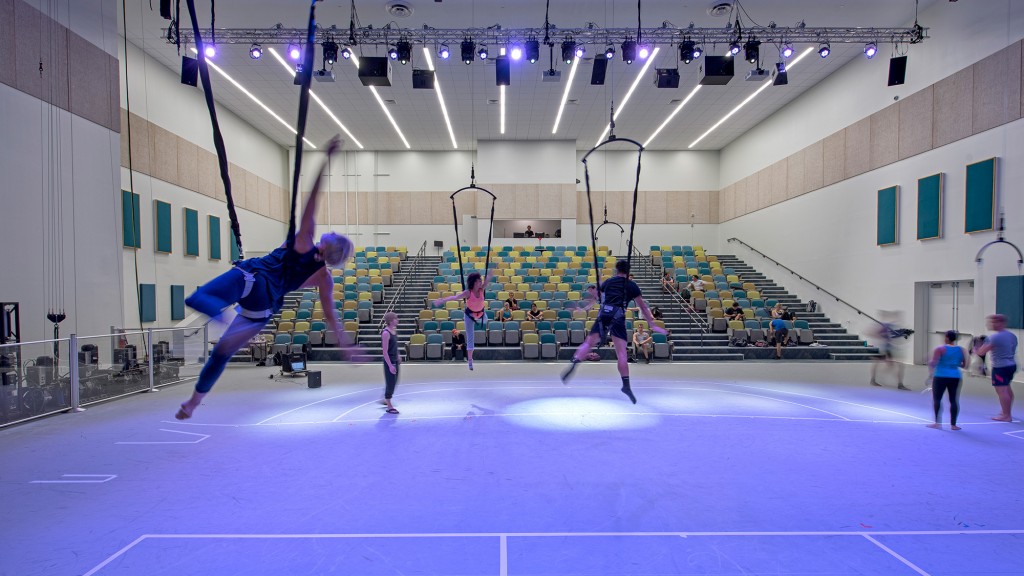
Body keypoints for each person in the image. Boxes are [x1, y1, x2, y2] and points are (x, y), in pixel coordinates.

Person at [176, 137, 356, 420]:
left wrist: (326, 160)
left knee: (197, 299)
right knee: (221, 353)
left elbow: (312, 202)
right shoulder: (325, 279)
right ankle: (192, 403)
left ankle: (223, 319)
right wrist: (346, 344)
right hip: (261, 310)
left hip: (251, 279)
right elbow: (331, 316)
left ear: (328, 242)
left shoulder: (303, 242)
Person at [561, 260, 666, 403]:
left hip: (604, 313)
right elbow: (643, 307)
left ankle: (575, 362)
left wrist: (583, 308)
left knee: (589, 343)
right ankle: (626, 384)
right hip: (618, 316)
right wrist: (652, 324)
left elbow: (596, 297)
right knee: (621, 353)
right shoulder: (632, 285)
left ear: (616, 270)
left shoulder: (609, 282)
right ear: (628, 271)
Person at [434, 270, 495, 371]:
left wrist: (490, 273)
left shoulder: (481, 289)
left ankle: (479, 319)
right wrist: (443, 300)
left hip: (480, 314)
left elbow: (487, 280)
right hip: (469, 315)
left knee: (485, 320)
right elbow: (455, 297)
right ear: (474, 282)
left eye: (481, 280)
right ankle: (470, 360)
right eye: (479, 281)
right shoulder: (468, 293)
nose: (481, 282)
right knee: (470, 337)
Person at [975, 314, 1019, 422]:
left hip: (1000, 367)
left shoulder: (994, 338)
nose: (990, 324)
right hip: (1011, 365)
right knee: (1007, 389)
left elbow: (981, 352)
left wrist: (976, 347)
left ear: (1001, 323)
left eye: (993, 322)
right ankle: (1006, 412)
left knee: (1002, 391)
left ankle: (1006, 415)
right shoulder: (1012, 336)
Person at [927, 330, 966, 430]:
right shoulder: (961, 350)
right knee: (953, 400)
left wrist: (930, 373)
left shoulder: (940, 349)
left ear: (947, 338)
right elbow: (964, 365)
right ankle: (953, 425)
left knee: (937, 399)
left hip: (940, 375)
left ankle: (937, 423)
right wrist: (953, 363)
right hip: (955, 376)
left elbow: (933, 363)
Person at [870, 312, 908, 390]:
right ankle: (899, 384)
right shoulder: (885, 325)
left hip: (889, 348)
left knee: (894, 365)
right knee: (897, 364)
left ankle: (876, 378)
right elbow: (874, 333)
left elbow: (896, 336)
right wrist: (884, 337)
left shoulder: (892, 325)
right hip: (884, 348)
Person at [380, 312, 401, 414]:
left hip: (395, 359)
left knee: (395, 381)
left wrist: (398, 355)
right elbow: (385, 351)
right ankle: (389, 405)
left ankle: (386, 398)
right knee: (390, 382)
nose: (397, 320)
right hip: (390, 360)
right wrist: (390, 365)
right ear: (391, 321)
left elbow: (395, 346)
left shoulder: (394, 331)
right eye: (396, 318)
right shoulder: (386, 333)